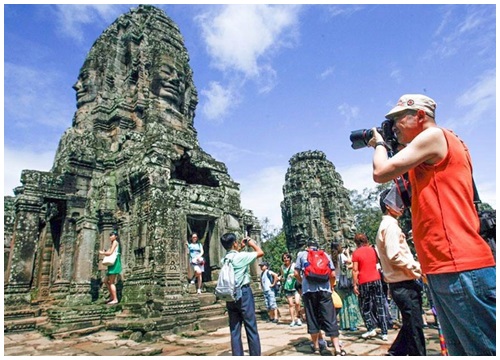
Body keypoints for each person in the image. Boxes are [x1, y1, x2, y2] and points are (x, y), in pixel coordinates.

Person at [369, 94, 496, 355]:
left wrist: (379, 144)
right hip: (443, 265)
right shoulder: (428, 150)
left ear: (420, 117)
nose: (393, 127)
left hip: (457, 263)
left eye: (397, 120)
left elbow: (380, 172)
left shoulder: (435, 136)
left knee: (482, 350)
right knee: (461, 350)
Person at [375, 187, 426, 355]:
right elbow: (394, 255)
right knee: (414, 329)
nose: (402, 206)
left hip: (401, 283)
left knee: (411, 324)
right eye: (397, 203)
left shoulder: (388, 225)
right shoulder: (390, 226)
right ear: (388, 206)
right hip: (403, 284)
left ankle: (395, 353)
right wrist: (418, 268)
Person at [294, 239, 346, 356]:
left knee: (312, 317)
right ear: (318, 247)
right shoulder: (325, 255)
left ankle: (317, 347)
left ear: (308, 247)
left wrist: (303, 282)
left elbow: (296, 273)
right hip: (325, 291)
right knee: (330, 318)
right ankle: (337, 349)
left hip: (308, 292)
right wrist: (331, 286)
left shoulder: (302, 255)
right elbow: (332, 274)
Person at [220, 233, 264, 356]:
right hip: (243, 293)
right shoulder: (242, 257)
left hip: (230, 295)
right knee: (251, 327)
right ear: (234, 243)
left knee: (234, 329)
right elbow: (260, 252)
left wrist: (240, 248)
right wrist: (252, 244)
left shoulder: (224, 259)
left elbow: (235, 256)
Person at [351, 233, 389, 341]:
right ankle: (384, 331)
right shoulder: (373, 250)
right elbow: (376, 263)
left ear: (356, 242)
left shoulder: (356, 253)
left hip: (364, 281)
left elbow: (355, 270)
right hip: (376, 279)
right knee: (379, 305)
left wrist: (355, 284)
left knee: (364, 306)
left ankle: (370, 328)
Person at [331, 243, 363, 332]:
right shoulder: (341, 256)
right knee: (350, 302)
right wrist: (348, 253)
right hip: (345, 282)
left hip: (337, 283)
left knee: (342, 304)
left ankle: (343, 324)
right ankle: (352, 324)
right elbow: (351, 263)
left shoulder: (331, 257)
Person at [280, 253, 303, 327]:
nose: (286, 259)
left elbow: (299, 274)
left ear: (290, 258)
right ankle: (293, 320)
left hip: (295, 286)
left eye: (287, 258)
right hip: (287, 287)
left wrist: (293, 275)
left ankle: (298, 318)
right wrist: (281, 279)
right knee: (290, 304)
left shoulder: (294, 265)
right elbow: (283, 276)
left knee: (297, 302)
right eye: (284, 258)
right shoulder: (282, 267)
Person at [99, 230, 121, 305]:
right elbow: (109, 252)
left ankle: (115, 299)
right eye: (110, 235)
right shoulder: (112, 243)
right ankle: (112, 296)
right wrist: (105, 252)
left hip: (115, 263)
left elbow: (110, 253)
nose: (110, 237)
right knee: (105, 281)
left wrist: (103, 253)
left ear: (116, 237)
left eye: (112, 235)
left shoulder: (115, 242)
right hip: (112, 265)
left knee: (111, 282)